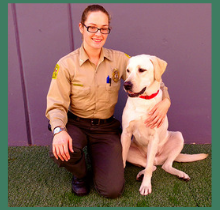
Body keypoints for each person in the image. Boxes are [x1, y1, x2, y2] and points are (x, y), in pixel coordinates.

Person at [46, 4, 171, 199]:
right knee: (59, 151)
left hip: (105, 128)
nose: (98, 33)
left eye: (104, 28)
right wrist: (59, 130)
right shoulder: (66, 65)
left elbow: (150, 76)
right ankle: (80, 174)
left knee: (112, 190)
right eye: (92, 27)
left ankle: (98, 158)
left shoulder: (120, 60)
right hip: (77, 124)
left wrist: (166, 102)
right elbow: (56, 104)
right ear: (81, 27)